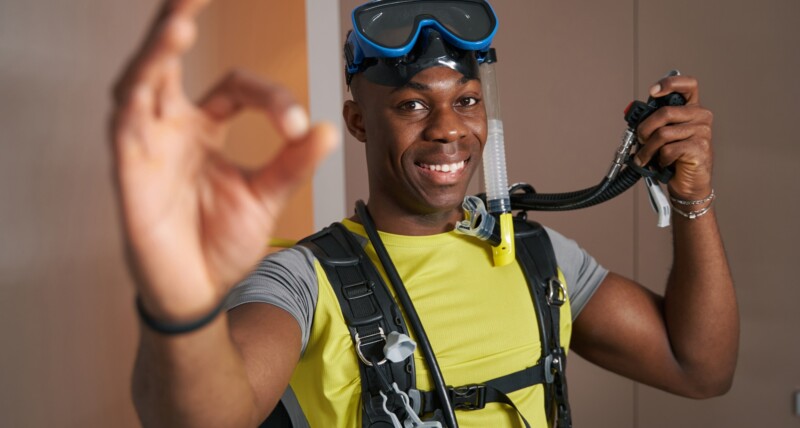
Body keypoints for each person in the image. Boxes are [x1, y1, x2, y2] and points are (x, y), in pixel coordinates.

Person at [110, 0, 738, 427]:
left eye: (465, 100)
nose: (448, 130)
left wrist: (691, 198)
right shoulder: (303, 282)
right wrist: (175, 294)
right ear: (359, 121)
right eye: (412, 105)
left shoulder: (537, 259)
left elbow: (699, 368)